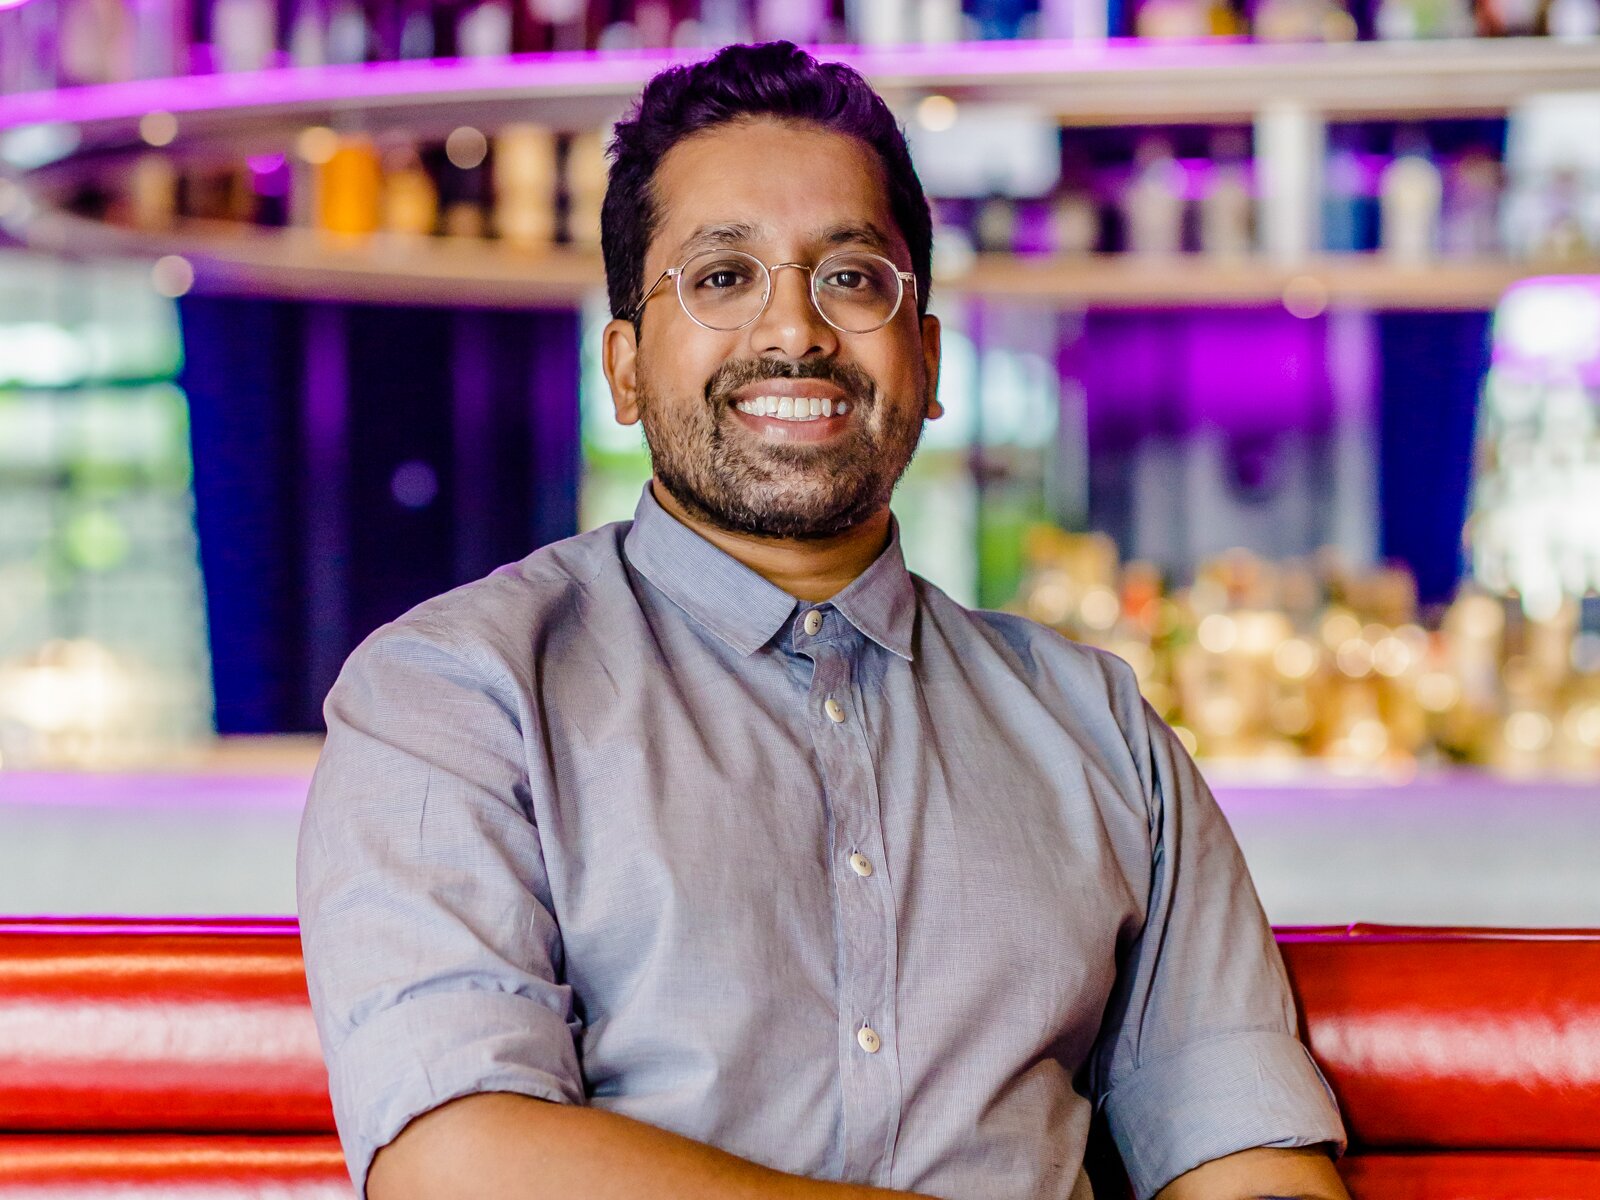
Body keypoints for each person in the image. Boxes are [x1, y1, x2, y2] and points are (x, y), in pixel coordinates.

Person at [297, 41, 1349, 1200]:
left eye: (851, 277)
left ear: (927, 360)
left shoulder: (1098, 727)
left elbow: (1245, 1161)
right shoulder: (459, 692)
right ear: (625, 368)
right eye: (721, 276)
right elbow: (455, 1162)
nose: (793, 331)